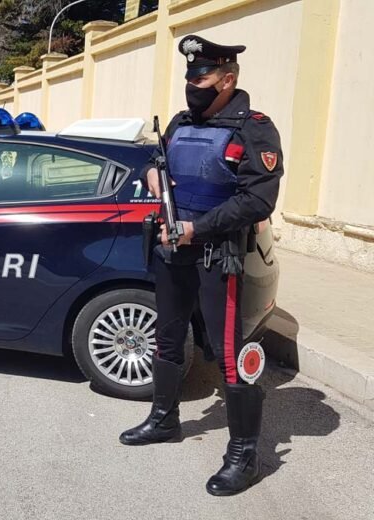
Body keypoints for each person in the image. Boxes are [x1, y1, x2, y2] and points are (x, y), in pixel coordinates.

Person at [119, 35, 284, 496]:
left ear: (228, 80)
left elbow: (258, 199)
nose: (193, 83)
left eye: (202, 75)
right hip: (173, 250)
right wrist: (151, 176)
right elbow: (159, 168)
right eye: (190, 76)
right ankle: (163, 419)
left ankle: (244, 455)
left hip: (218, 255)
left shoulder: (254, 129)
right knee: (168, 337)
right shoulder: (179, 122)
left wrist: (199, 229)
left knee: (229, 353)